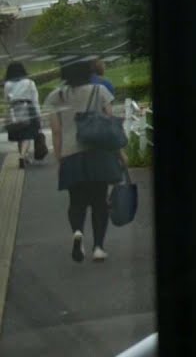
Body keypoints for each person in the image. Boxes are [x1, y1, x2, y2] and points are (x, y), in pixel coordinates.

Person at [45, 56, 123, 263]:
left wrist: (59, 157)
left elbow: (56, 130)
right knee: (99, 201)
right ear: (88, 70)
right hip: (98, 153)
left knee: (76, 201)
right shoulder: (100, 91)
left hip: (71, 155)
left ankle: (78, 232)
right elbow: (110, 124)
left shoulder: (56, 96)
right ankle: (98, 247)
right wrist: (119, 152)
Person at [4, 62, 41, 169]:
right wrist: (38, 114)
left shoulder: (7, 84)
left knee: (19, 133)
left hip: (14, 111)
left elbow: (7, 99)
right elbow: (35, 99)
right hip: (28, 109)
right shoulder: (29, 82)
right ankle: (22, 156)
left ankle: (24, 156)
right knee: (27, 135)